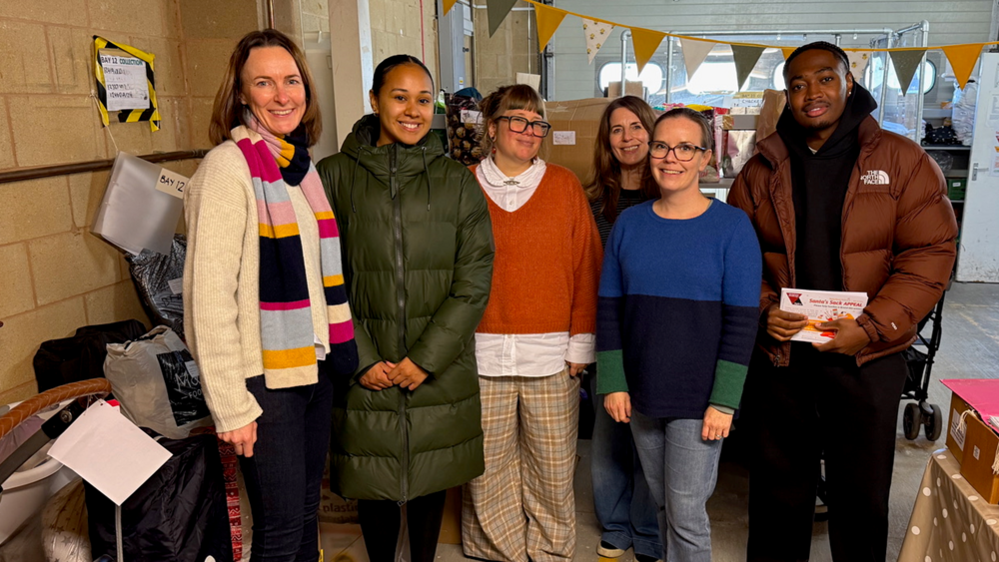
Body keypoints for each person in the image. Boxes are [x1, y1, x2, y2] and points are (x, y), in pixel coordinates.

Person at [728, 41, 958, 562]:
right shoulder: (762, 166)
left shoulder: (901, 160)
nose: (811, 93)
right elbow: (734, 255)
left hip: (864, 358)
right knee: (776, 496)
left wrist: (873, 326)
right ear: (787, 94)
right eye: (798, 85)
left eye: (824, 79)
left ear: (848, 82)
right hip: (783, 357)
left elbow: (931, 252)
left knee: (861, 497)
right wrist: (765, 310)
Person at [184, 29, 358, 562]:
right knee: (280, 531)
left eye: (291, 80)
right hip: (265, 381)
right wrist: (231, 406)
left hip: (313, 366)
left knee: (305, 517)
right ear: (241, 94)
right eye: (264, 82)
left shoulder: (300, 170)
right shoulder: (226, 170)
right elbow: (207, 300)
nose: (283, 95)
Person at [316, 54, 494, 562]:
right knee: (373, 484)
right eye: (399, 97)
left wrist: (426, 358)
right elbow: (322, 276)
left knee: (427, 481)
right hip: (363, 363)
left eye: (423, 100)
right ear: (374, 101)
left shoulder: (457, 181)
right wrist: (363, 357)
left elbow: (474, 277)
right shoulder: (333, 177)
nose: (413, 110)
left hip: (434, 368)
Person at [597, 108, 762, 562]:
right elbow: (608, 310)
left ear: (706, 157)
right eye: (662, 146)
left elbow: (742, 321)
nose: (672, 158)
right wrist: (613, 380)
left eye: (685, 147)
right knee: (665, 502)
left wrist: (724, 400)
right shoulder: (630, 226)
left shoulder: (732, 228)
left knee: (686, 512)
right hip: (643, 392)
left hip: (699, 399)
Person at [461, 84, 602, 562]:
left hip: (552, 354)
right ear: (492, 126)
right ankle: (496, 549)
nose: (528, 130)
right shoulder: (461, 184)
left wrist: (581, 344)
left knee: (553, 466)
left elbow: (586, 266)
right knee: (487, 465)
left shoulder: (563, 186)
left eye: (537, 123)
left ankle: (549, 550)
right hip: (479, 353)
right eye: (517, 119)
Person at [584, 96, 662, 562]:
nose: (628, 137)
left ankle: (647, 528)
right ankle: (615, 524)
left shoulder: (672, 198)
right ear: (606, 141)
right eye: (617, 129)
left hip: (656, 334)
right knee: (611, 434)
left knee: (651, 437)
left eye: (637, 126)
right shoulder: (592, 203)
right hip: (608, 333)